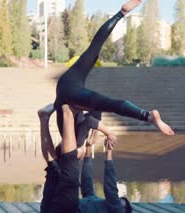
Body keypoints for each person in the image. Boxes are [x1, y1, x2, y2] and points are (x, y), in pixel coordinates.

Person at [54, 0, 175, 139]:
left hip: (71, 96)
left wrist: (98, 136)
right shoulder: (72, 129)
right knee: (94, 48)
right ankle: (121, 13)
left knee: (108, 104)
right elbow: (90, 119)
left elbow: (88, 122)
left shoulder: (72, 144)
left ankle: (147, 116)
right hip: (68, 81)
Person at [38, 104, 131, 213]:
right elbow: (87, 184)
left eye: (123, 202)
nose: (120, 200)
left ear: (125, 210)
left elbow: (111, 190)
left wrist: (109, 152)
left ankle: (68, 112)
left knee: (70, 174)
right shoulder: (95, 201)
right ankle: (44, 117)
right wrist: (88, 147)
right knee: (54, 169)